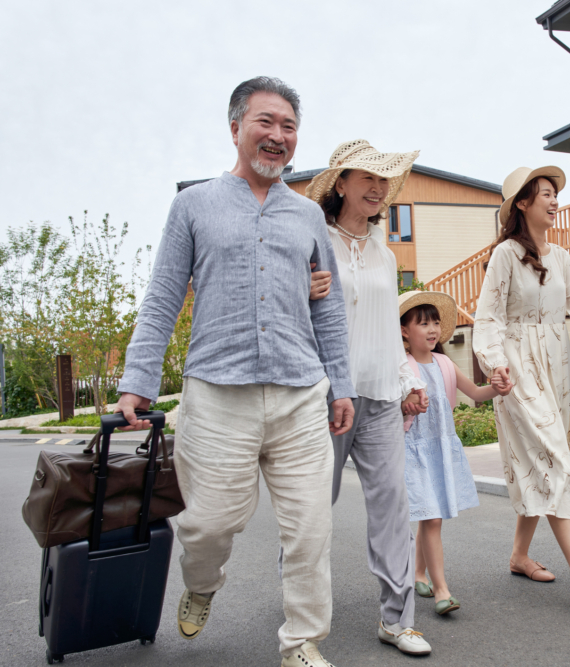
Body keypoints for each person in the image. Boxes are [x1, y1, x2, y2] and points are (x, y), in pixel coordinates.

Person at [115, 77, 354, 667]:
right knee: (206, 526)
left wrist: (341, 385)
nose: (278, 136)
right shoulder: (193, 205)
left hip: (300, 393)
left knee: (310, 531)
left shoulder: (308, 216)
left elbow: (328, 311)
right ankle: (202, 584)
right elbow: (163, 295)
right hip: (217, 394)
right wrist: (137, 381)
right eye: (265, 122)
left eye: (289, 126)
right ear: (236, 128)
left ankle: (302, 643)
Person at [472, 166, 570, 605]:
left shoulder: (560, 256)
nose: (555, 200)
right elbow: (488, 317)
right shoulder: (505, 254)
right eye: (545, 193)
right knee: (555, 459)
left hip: (557, 367)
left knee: (541, 460)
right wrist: (495, 364)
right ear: (523, 203)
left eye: (555, 193)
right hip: (517, 370)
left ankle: (519, 555)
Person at [304, 139, 432, 656]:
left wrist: (407, 381)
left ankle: (398, 619)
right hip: (327, 397)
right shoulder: (315, 240)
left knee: (392, 504)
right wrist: (301, 290)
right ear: (341, 184)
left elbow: (384, 326)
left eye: (384, 180)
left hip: (379, 395)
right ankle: (300, 603)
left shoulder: (385, 250)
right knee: (314, 505)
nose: (378, 188)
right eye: (367, 178)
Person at [398, 290, 496, 616]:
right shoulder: (402, 368)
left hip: (440, 450)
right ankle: (442, 590)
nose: (432, 329)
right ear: (404, 331)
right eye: (423, 323)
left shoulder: (444, 363)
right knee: (432, 517)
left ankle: (418, 573)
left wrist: (498, 387)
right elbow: (391, 409)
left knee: (432, 515)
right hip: (414, 453)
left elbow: (477, 392)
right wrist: (406, 404)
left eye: (435, 322)